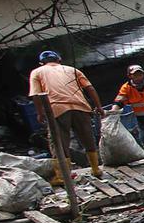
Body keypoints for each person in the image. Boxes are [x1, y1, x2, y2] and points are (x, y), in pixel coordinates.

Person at [28, 50, 104, 181]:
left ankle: (62, 175)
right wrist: (98, 107)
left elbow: (36, 95)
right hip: (81, 106)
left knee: (58, 142)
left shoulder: (37, 72)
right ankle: (96, 169)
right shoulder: (72, 70)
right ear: (59, 60)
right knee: (87, 138)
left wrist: (40, 113)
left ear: (42, 63)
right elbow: (90, 88)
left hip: (57, 109)